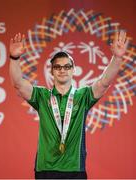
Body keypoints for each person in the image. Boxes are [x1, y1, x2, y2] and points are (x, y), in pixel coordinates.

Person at [9, 31, 128, 179]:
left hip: (75, 169)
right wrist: (14, 58)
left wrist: (117, 57)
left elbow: (104, 82)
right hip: (46, 169)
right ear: (52, 71)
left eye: (67, 66)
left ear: (73, 70)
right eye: (58, 67)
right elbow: (18, 84)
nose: (62, 70)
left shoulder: (83, 96)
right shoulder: (42, 96)